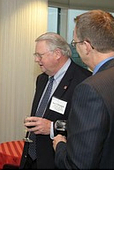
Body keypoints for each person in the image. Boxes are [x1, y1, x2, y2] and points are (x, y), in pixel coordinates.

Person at [53, 10, 114, 169]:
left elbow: (77, 167)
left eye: (75, 43)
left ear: (86, 46)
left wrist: (60, 146)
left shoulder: (90, 89)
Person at [19, 32, 91, 169]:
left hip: (56, 162)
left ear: (57, 53)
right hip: (31, 158)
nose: (36, 60)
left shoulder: (84, 81)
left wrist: (52, 128)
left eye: (40, 55)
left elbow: (87, 129)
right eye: (36, 55)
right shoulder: (42, 79)